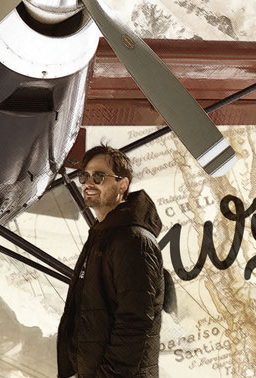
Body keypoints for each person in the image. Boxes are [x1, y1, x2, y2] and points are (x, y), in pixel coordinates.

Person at [57, 145, 164, 378]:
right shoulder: (103, 235)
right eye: (84, 176)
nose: (88, 183)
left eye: (99, 176)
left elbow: (135, 324)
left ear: (122, 185)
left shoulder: (133, 241)